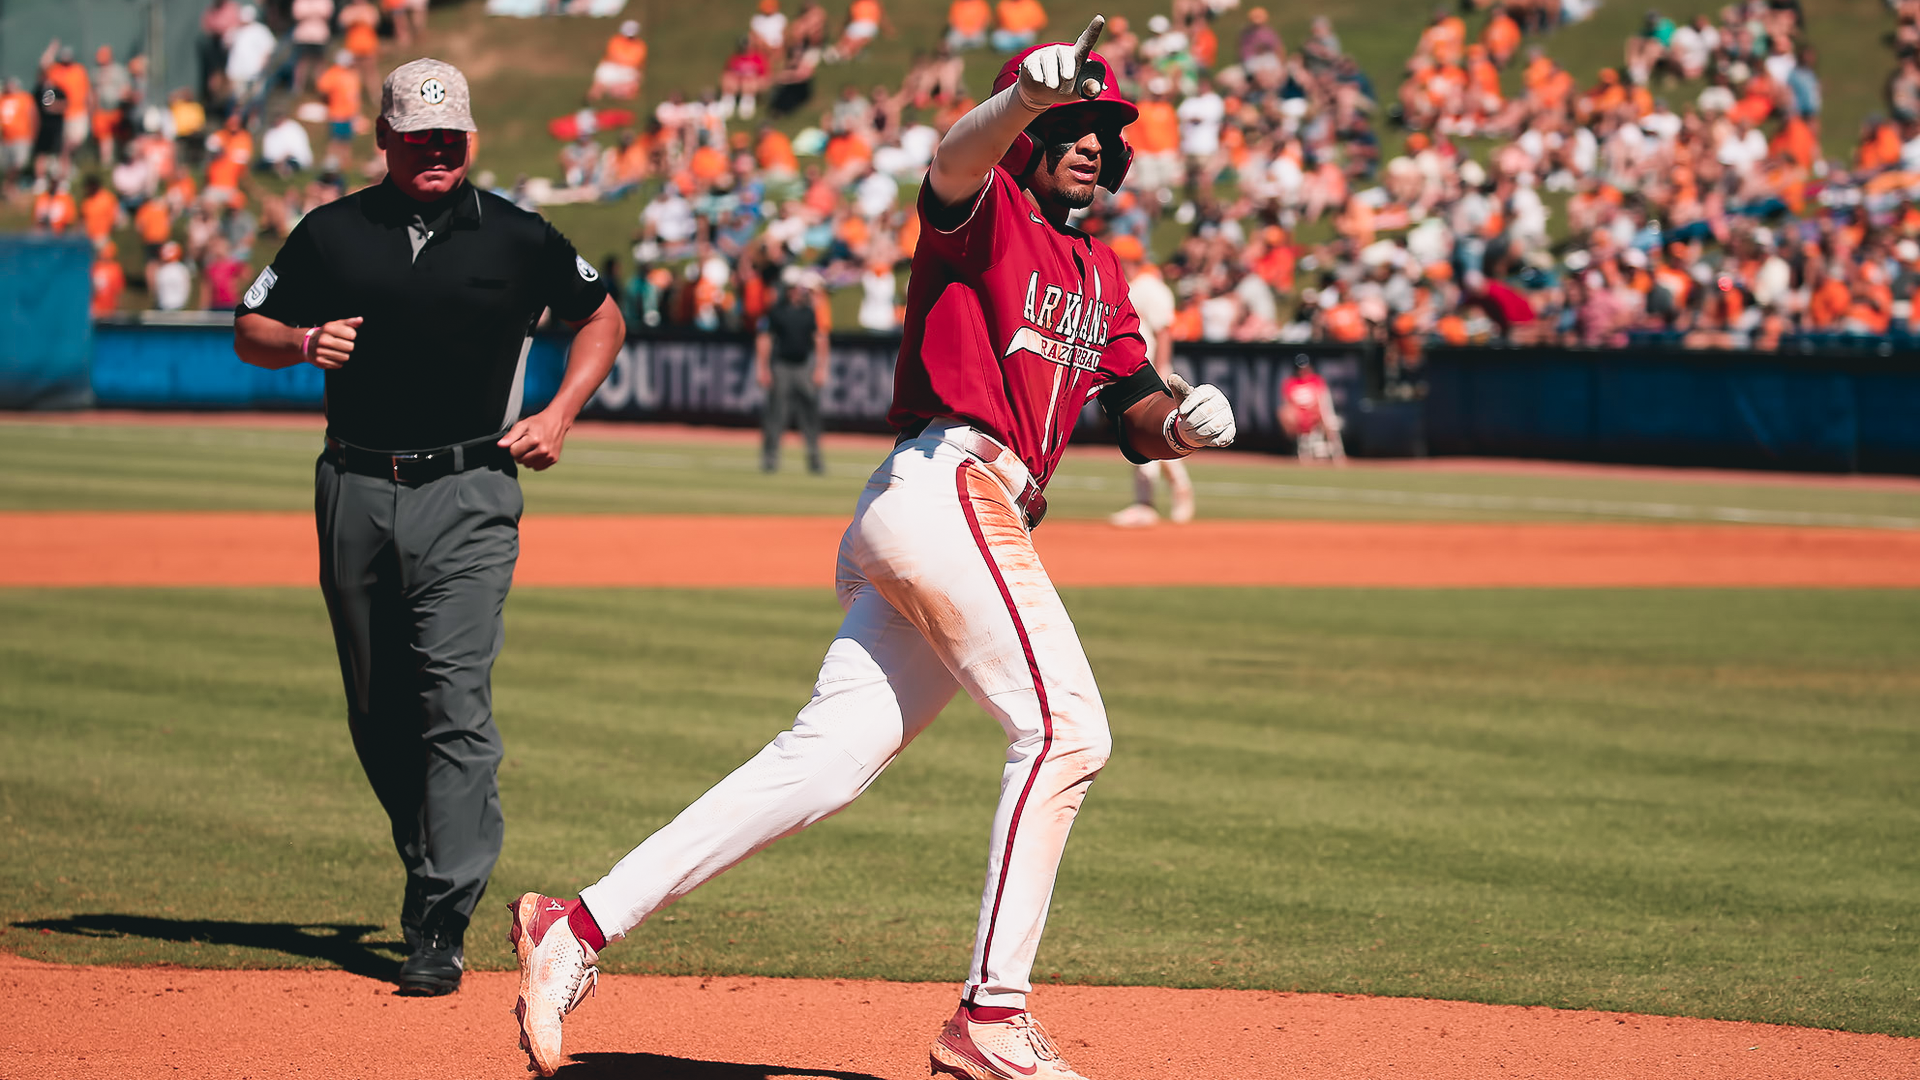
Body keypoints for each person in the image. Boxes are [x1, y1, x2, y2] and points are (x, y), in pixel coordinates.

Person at [506, 19, 1237, 1080]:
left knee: (828, 760)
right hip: (951, 483)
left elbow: (1133, 405)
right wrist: (1019, 102)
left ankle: (574, 927)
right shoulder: (985, 217)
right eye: (1072, 122)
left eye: (1102, 128)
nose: (1090, 141)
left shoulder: (1103, 274)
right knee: (1069, 731)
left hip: (958, 512)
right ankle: (991, 1017)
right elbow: (949, 164)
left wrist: (1180, 428)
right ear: (1032, 129)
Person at [233, 58, 625, 998]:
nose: (437, 153)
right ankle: (428, 863)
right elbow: (249, 325)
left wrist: (561, 413)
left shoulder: (520, 236)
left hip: (470, 488)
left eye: (451, 139)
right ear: (385, 139)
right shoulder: (331, 233)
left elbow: (601, 317)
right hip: (356, 486)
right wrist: (298, 342)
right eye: (419, 139)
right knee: (377, 709)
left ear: (470, 139)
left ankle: (442, 916)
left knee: (455, 701)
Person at [1105, 232, 1193, 527]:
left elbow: (1165, 330)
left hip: (1152, 372)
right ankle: (1169, 494)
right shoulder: (1131, 285)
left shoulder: (1149, 287)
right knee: (1153, 436)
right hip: (1137, 370)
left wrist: (1163, 370)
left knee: (1150, 435)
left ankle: (1149, 502)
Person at [754, 268, 831, 472]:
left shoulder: (809, 312)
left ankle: (814, 457)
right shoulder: (776, 311)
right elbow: (765, 338)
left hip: (804, 365)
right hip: (782, 365)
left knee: (810, 413)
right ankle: (770, 458)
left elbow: (819, 339)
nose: (794, 292)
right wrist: (763, 367)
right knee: (776, 411)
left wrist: (821, 368)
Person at [1278, 354, 1344, 463]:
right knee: (1285, 414)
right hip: (1299, 416)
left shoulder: (1317, 381)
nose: (1302, 372)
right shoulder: (1290, 383)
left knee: (1327, 420)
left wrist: (1314, 413)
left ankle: (1333, 454)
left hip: (1316, 415)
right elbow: (1288, 405)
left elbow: (1323, 403)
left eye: (1305, 368)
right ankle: (1297, 444)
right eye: (1300, 369)